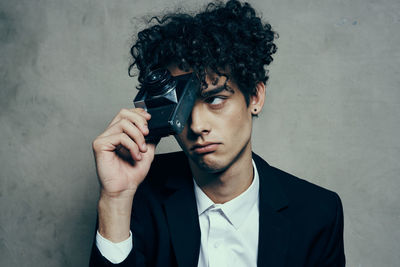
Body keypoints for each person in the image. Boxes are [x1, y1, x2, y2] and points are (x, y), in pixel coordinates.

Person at [89, 0, 345, 266]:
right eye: (183, 108)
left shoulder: (318, 213)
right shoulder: (136, 195)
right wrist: (116, 200)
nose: (198, 125)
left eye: (215, 100)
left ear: (255, 97)